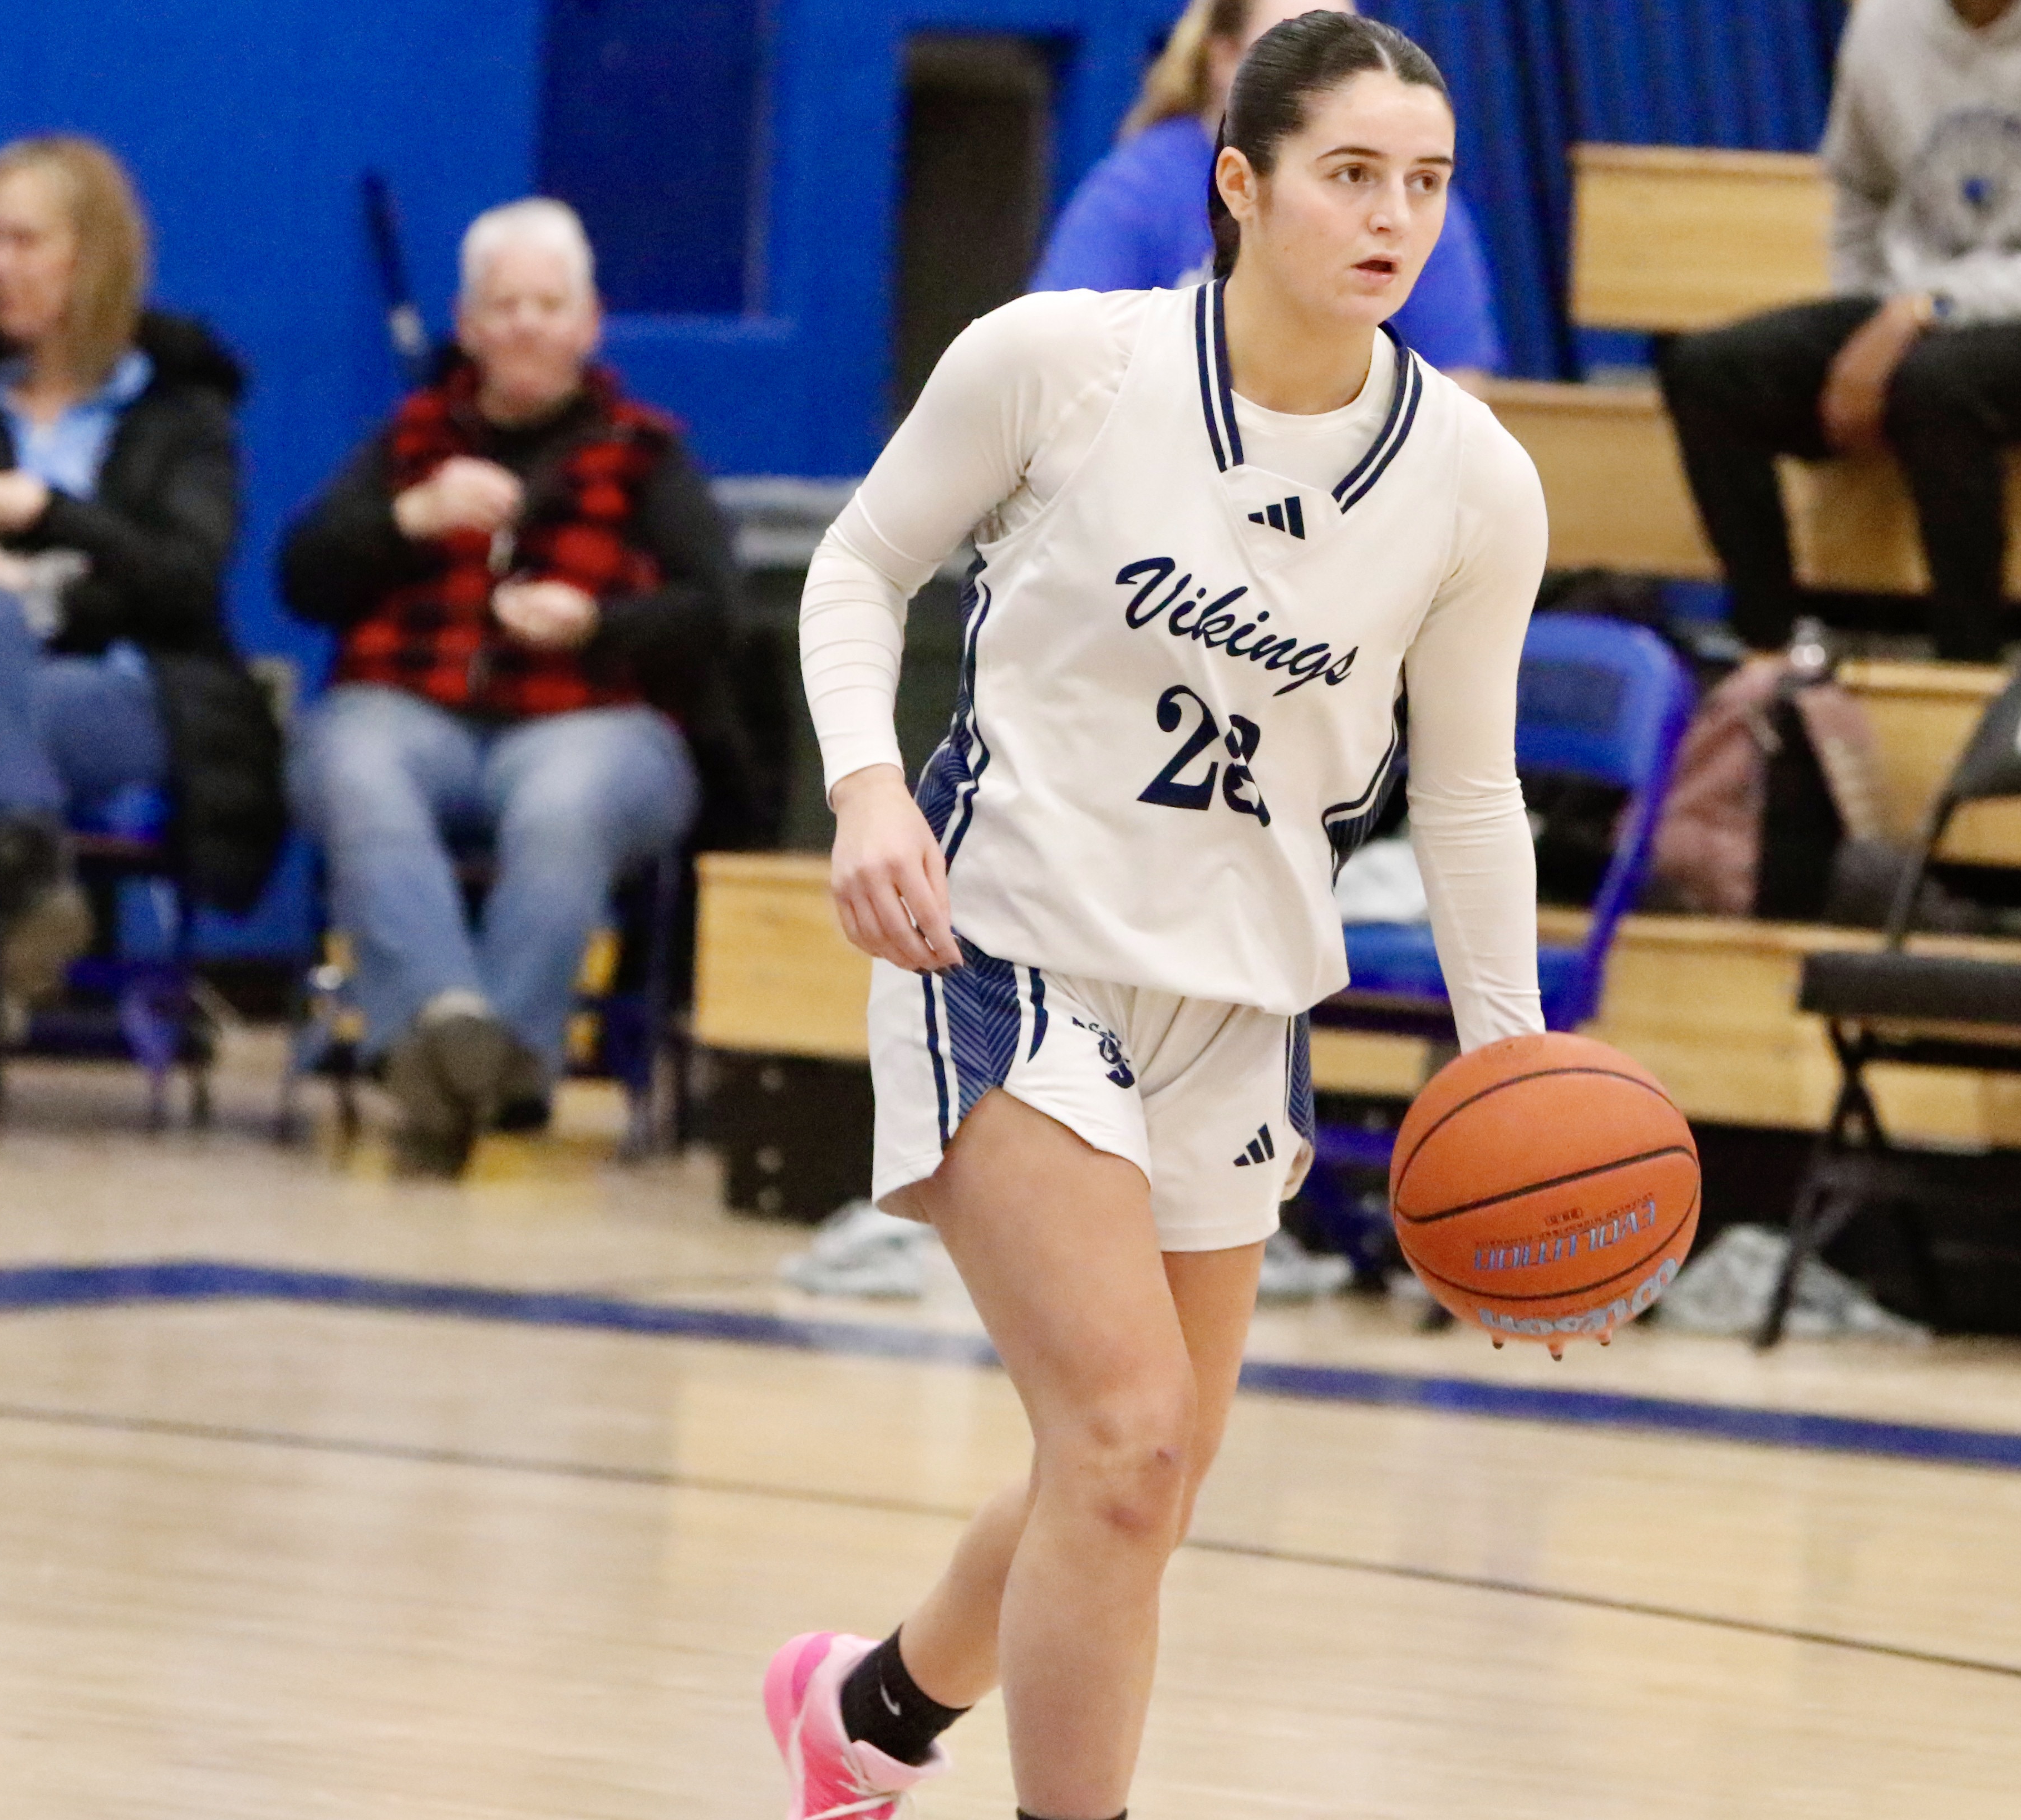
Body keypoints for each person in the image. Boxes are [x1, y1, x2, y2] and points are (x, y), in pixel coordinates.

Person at [775, 16, 1543, 1820]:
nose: (1391, 218)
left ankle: (865, 1712)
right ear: (1238, 181)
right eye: (1351, 174)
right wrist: (865, 787)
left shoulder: (1468, 477)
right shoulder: (1062, 365)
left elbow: (1464, 791)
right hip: (1005, 946)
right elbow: (857, 566)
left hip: (1239, 996)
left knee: (1141, 1477)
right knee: (1121, 1448)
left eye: (1422, 183)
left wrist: (1506, 1054)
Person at [279, 198, 737, 1175]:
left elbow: (715, 613)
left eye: (548, 303)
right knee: (359, 770)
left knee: (564, 806)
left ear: (587, 322)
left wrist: (597, 620)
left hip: (592, 718)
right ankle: (453, 1032)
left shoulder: (646, 453)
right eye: (505, 304)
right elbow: (301, 579)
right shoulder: (408, 442)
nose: (527, 323)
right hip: (409, 708)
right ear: (472, 325)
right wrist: (407, 518)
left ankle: (482, 1064)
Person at [0, 135, 280, 1140]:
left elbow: (183, 577)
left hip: (122, 693)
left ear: (91, 255)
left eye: (22, 240)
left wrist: (42, 513)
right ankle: (21, 865)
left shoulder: (182, 406)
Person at [1654, 0, 2021, 663]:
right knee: (1710, 369)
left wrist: (1924, 311)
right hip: (1911, 311)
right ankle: (1771, 650)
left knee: (1936, 384)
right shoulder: (1884, 22)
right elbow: (1859, 195)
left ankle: (1966, 668)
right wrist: (1866, 328)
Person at [1030, 0, 1504, 386]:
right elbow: (1053, 360)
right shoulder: (1138, 189)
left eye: (1346, 57)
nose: (1330, 84)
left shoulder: (1407, 208)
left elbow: (1457, 386)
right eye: (1292, 55)